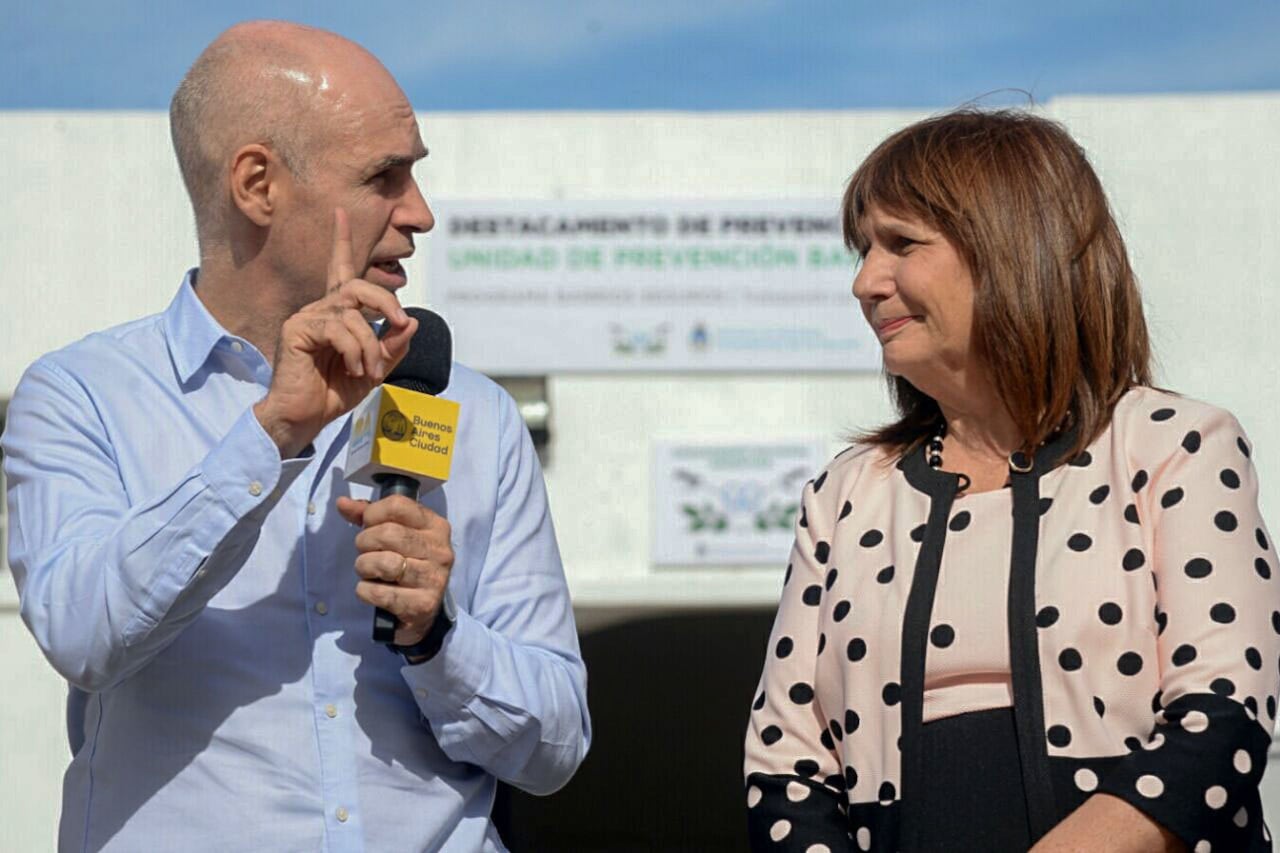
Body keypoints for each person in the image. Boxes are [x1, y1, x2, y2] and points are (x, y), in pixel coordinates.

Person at [1, 21, 589, 852]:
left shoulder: (478, 414)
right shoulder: (81, 395)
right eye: (385, 176)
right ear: (257, 185)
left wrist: (439, 637)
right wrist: (272, 433)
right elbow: (82, 632)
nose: (420, 213)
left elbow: (556, 747)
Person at [743, 109, 1277, 852]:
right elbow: (785, 772)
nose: (866, 281)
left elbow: (1223, 719)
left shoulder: (1174, 445)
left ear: (1011, 247)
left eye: (902, 244)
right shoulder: (844, 495)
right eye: (864, 250)